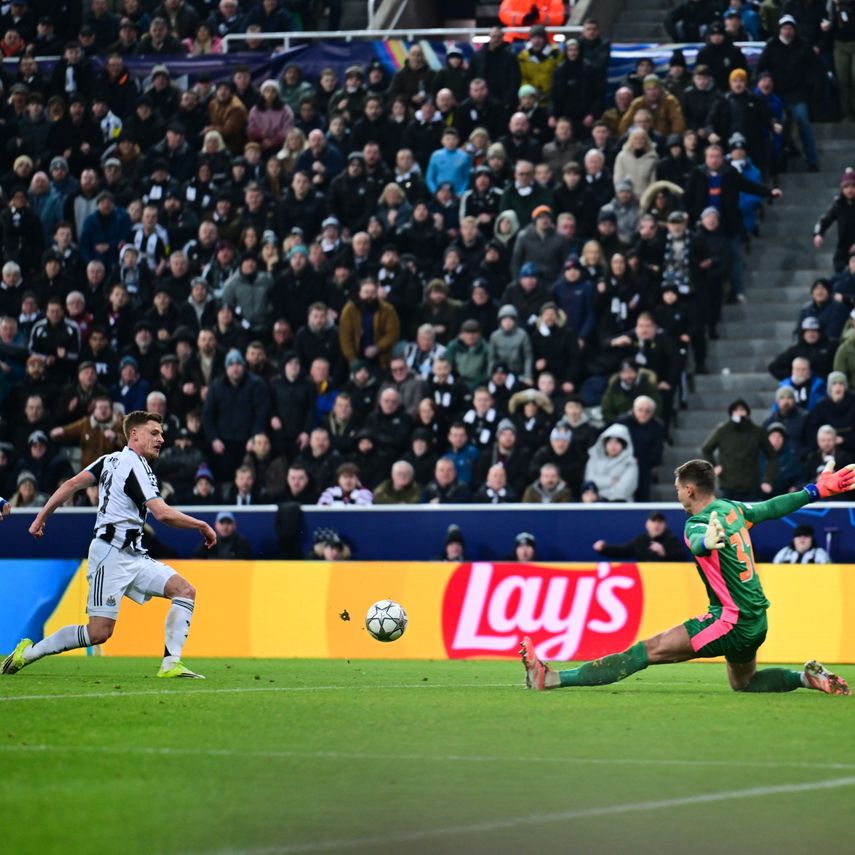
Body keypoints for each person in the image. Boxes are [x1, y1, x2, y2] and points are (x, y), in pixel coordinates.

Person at [521, 458, 854, 695]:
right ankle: (804, 678)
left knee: (645, 651)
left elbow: (698, 543)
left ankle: (551, 679)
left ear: (691, 490)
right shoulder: (732, 508)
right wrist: (815, 491)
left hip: (729, 622)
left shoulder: (696, 524)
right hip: (756, 620)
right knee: (744, 683)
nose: (677, 494)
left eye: (679, 488)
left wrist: (705, 543)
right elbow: (772, 507)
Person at [3, 410, 216, 679]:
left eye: (161, 433)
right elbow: (161, 513)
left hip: (135, 555)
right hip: (110, 554)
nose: (161, 439)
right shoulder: (133, 464)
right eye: (154, 433)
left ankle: (171, 664)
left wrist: (40, 518)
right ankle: (29, 652)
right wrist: (202, 525)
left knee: (184, 591)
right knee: (99, 632)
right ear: (134, 434)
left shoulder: (109, 460)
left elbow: (72, 485)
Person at [593, 511, 685, 561]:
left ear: (665, 525)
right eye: (653, 521)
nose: (656, 525)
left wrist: (664, 554)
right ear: (647, 524)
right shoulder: (641, 541)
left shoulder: (671, 540)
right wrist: (604, 549)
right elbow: (622, 551)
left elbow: (683, 559)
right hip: (644, 580)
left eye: (660, 522)